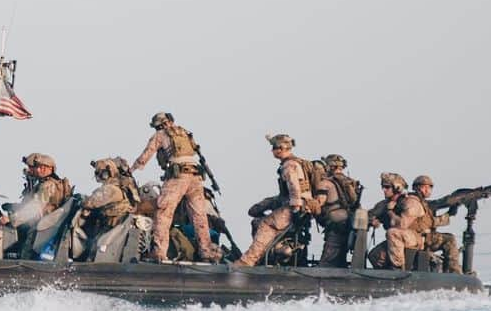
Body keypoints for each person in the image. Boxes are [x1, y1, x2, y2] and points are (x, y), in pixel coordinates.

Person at [130, 112, 217, 262]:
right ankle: (207, 253)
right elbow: (199, 156)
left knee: (163, 212)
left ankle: (159, 253)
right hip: (196, 177)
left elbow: (146, 155)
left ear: (158, 125)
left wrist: (131, 170)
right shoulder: (185, 133)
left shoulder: (160, 135)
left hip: (179, 177)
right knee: (199, 217)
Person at [234, 134, 321, 267]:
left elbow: (294, 188)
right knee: (259, 220)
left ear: (281, 148)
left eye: (274, 148)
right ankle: (266, 256)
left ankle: (247, 261)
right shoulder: (299, 163)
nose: (272, 151)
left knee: (266, 225)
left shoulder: (289, 165)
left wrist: (296, 209)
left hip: (297, 205)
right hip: (304, 204)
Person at [0, 152, 73, 256]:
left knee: (24, 254)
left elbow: (34, 209)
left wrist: (11, 220)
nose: (29, 171)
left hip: (42, 228)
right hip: (45, 224)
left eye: (31, 167)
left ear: (43, 169)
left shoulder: (48, 186)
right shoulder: (51, 183)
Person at [314, 153, 361, 267]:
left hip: (335, 226)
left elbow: (318, 203)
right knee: (340, 260)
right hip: (349, 224)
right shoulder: (350, 182)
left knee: (327, 261)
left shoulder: (325, 183)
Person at [410, 174, 463, 273]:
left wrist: (449, 214)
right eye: (423, 187)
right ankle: (454, 272)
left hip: (419, 237)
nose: (427, 190)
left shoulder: (423, 203)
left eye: (429, 187)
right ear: (416, 188)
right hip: (419, 237)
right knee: (449, 239)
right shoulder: (415, 202)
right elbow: (428, 222)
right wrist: (449, 213)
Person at [79, 158, 136, 243]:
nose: (100, 177)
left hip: (112, 224)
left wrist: (81, 201)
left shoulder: (110, 188)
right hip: (114, 222)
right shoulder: (117, 185)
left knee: (93, 247)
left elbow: (91, 202)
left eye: (102, 173)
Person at [367, 172, 408, 268]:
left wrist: (390, 212)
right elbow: (369, 215)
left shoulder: (407, 203)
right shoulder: (383, 205)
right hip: (393, 241)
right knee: (374, 255)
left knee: (376, 255)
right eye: (383, 187)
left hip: (407, 240)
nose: (384, 190)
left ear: (397, 188)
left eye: (387, 187)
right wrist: (372, 221)